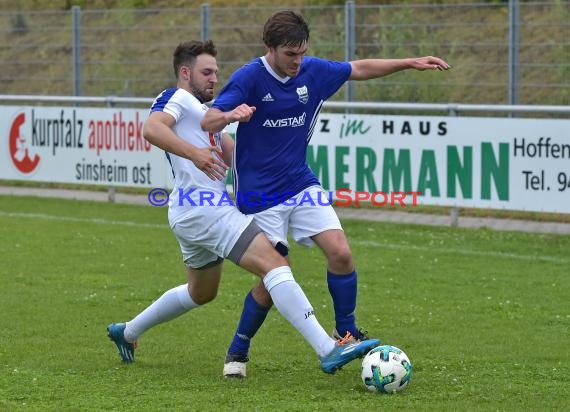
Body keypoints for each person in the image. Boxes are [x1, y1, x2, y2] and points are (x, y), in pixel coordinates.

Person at [200, 10, 451, 378]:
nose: (298, 62)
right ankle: (238, 348)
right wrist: (231, 114)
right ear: (270, 48)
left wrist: (408, 63)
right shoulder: (249, 78)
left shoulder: (312, 71)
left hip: (301, 183)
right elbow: (208, 119)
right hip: (259, 195)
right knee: (273, 279)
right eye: (290, 54)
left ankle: (345, 333)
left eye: (302, 53)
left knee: (341, 253)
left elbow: (358, 68)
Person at [106, 39, 380, 374]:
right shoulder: (177, 98)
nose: (213, 79)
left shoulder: (208, 117)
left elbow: (241, 158)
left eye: (216, 72)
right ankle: (327, 348)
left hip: (191, 213)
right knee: (276, 265)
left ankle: (128, 331)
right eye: (206, 72)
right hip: (205, 210)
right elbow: (152, 128)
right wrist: (195, 154)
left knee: (200, 292)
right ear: (184, 72)